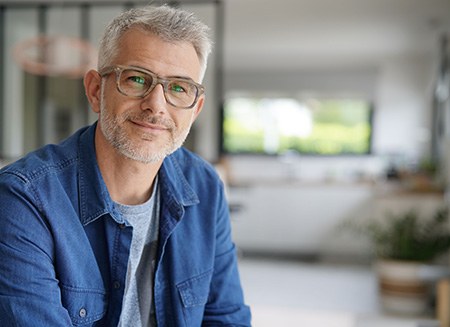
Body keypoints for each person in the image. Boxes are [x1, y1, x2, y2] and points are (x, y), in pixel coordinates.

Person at [0, 5, 251, 326]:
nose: (156, 106)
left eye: (178, 88)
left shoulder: (205, 186)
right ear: (95, 90)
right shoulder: (23, 198)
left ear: (196, 108)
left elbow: (226, 318)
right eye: (136, 79)